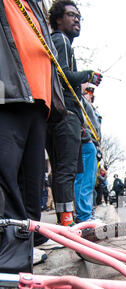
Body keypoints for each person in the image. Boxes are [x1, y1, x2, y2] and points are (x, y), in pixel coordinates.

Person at [0, 0, 66, 274]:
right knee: (6, 176)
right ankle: (10, 259)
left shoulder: (34, 5)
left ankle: (26, 244)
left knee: (32, 180)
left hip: (38, 101)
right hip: (8, 95)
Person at [47, 0, 102, 226]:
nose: (77, 19)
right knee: (66, 170)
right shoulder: (60, 40)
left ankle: (67, 221)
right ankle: (67, 223)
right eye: (71, 15)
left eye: (79, 16)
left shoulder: (60, 41)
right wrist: (89, 75)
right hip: (64, 115)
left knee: (66, 169)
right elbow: (63, 75)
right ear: (58, 19)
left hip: (64, 116)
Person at [74, 85, 100, 223]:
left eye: (92, 93)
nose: (91, 95)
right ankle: (84, 217)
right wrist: (85, 136)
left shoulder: (90, 107)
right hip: (84, 142)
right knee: (83, 181)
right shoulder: (79, 100)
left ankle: (87, 214)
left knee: (88, 183)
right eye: (89, 91)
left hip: (91, 143)